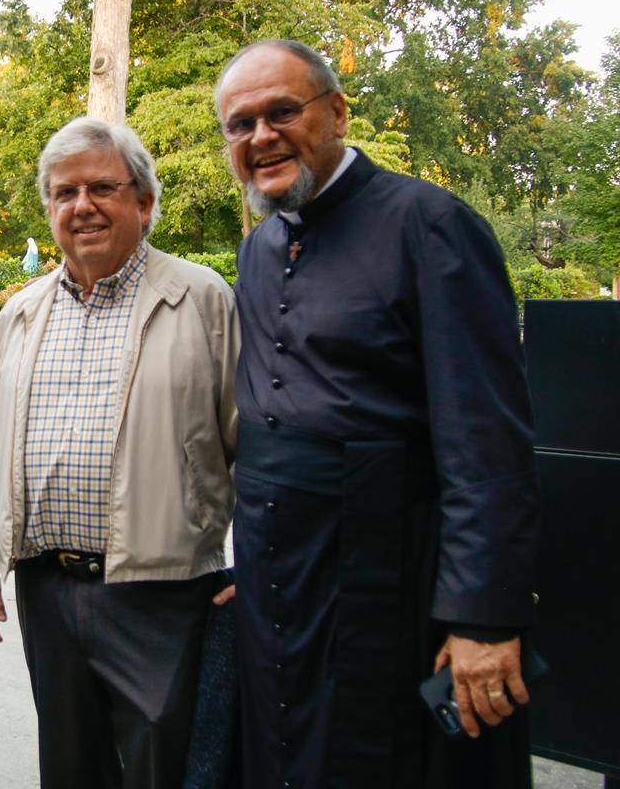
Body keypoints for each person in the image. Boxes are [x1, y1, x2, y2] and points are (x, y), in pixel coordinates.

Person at [214, 39, 541, 787]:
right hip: (283, 583)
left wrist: (483, 617)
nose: (261, 136)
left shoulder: (430, 224)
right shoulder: (258, 250)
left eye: (281, 112)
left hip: (391, 578)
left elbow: (487, 441)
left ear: (336, 112)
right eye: (240, 124)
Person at [0, 117, 240, 789]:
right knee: (71, 769)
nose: (82, 206)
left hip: (164, 593)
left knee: (166, 768)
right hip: (48, 591)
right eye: (64, 192)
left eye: (102, 188)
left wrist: (257, 564)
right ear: (49, 208)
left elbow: (253, 440)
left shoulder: (201, 300)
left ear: (144, 202)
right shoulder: (19, 317)